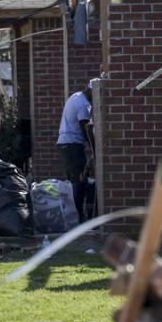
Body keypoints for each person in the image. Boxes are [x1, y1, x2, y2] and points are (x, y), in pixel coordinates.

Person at [56, 82, 95, 223]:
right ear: (90, 91)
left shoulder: (76, 96)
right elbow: (86, 130)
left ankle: (74, 216)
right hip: (72, 145)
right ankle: (78, 218)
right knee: (79, 180)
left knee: (74, 181)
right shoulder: (83, 105)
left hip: (65, 144)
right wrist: (95, 148)